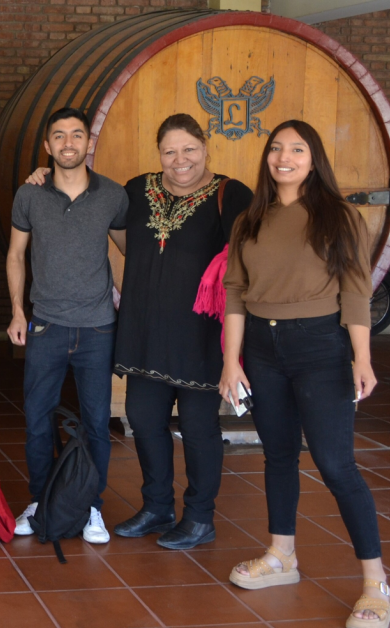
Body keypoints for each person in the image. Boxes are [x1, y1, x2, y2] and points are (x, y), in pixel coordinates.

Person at [22, 114, 254, 550]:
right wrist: (43, 174)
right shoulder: (137, 190)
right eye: (170, 151)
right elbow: (93, 208)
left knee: (199, 427)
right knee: (145, 421)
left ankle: (200, 516)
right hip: (146, 329)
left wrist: (236, 349)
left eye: (189, 149)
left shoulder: (231, 193)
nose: (180, 159)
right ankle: (157, 506)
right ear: (159, 153)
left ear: (205, 147)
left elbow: (245, 265)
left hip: (200, 334)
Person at [220, 120, 390, 628]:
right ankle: (281, 556)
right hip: (262, 347)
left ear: (314, 158)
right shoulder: (250, 220)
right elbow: (234, 292)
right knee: (276, 454)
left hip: (321, 345)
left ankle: (376, 584)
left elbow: (356, 292)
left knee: (336, 465)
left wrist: (361, 358)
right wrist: (232, 361)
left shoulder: (338, 216)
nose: (284, 157)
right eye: (276, 148)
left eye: (297, 149)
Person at [7, 107, 127, 545]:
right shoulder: (30, 194)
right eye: (59, 136)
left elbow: (135, 251)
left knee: (97, 422)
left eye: (77, 135)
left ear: (87, 143)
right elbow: (16, 255)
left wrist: (129, 305)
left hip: (98, 328)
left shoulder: (112, 196)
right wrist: (19, 312)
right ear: (48, 145)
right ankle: (41, 501)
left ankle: (91, 507)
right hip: (46, 326)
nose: (69, 143)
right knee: (38, 421)